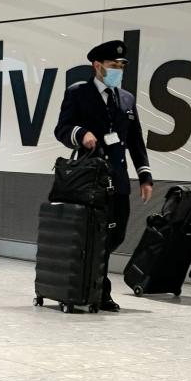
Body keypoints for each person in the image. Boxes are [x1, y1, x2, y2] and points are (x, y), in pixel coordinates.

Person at [54, 40, 153, 312]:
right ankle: (98, 289)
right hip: (89, 179)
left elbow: (135, 140)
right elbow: (61, 129)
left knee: (116, 233)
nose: (118, 69)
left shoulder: (126, 99)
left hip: (117, 179)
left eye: (121, 66)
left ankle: (93, 282)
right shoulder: (78, 93)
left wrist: (145, 175)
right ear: (97, 66)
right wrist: (80, 134)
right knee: (94, 234)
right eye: (113, 65)